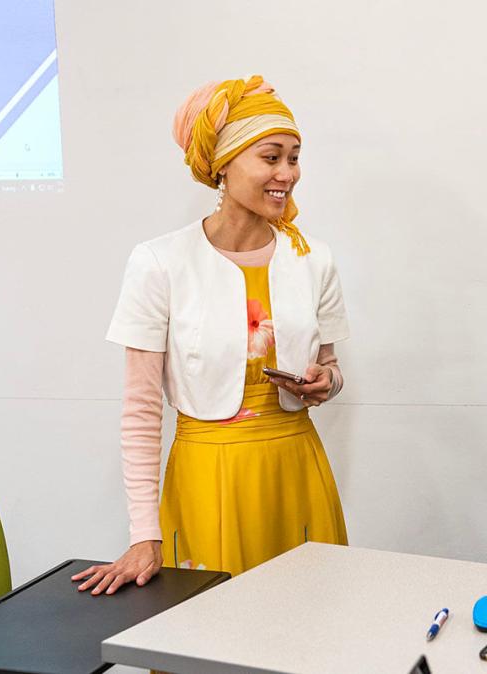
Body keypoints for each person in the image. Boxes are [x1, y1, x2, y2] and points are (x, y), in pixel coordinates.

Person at [72, 75, 349, 595]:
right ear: (223, 164)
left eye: (294, 157)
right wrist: (143, 533)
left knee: (309, 628)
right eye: (271, 157)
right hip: (205, 477)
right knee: (209, 634)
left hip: (297, 472)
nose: (287, 174)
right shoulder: (160, 262)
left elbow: (332, 369)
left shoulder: (314, 259)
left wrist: (324, 383)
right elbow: (140, 409)